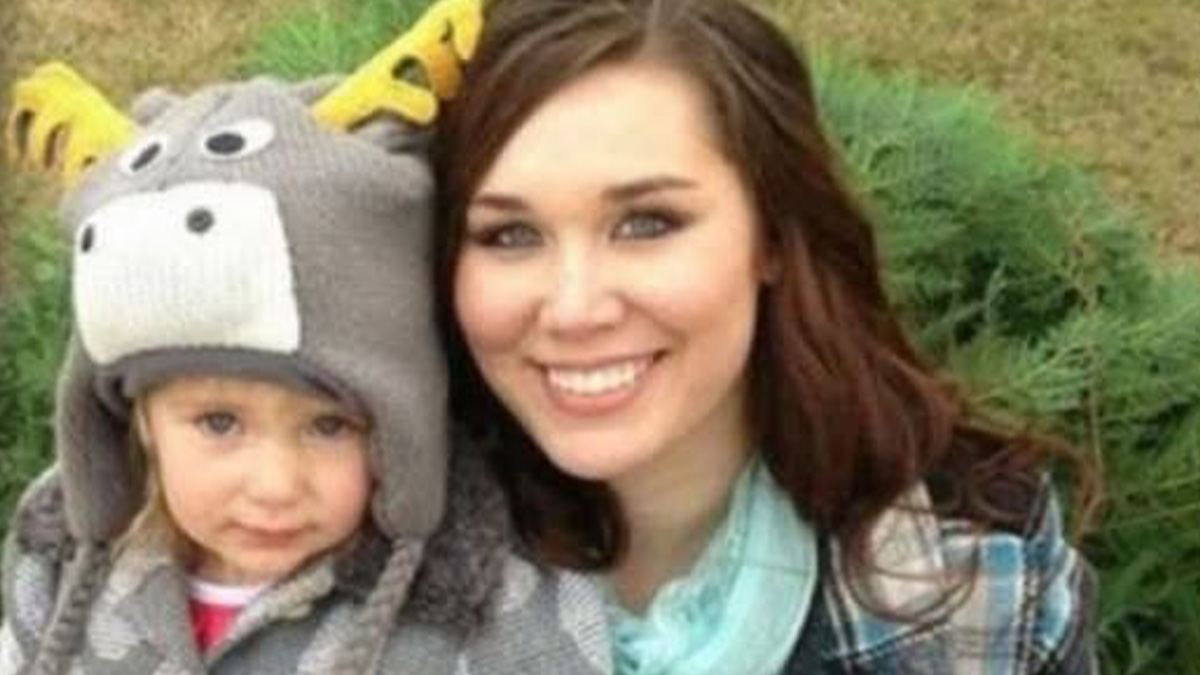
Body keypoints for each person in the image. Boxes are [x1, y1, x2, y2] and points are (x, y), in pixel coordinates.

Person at [434, 0, 1099, 672]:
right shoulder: (381, 557)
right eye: (509, 235)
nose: (574, 308)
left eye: (646, 223)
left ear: (773, 234)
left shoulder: (983, 597)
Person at [0, 2, 612, 673]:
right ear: (140, 421)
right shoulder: (58, 568)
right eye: (218, 422)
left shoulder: (495, 609)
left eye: (329, 425)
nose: (275, 484)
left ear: (401, 422)